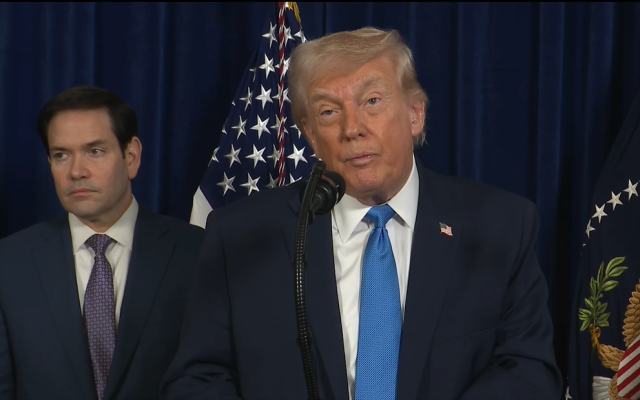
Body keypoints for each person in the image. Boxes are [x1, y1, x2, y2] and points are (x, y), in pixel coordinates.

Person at [161, 28, 562, 399]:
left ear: (415, 113)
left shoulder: (499, 227)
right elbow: (198, 380)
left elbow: (529, 371)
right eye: (329, 111)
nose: (352, 128)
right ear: (310, 134)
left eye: (372, 101)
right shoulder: (243, 236)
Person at [0, 86, 204, 400]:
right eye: (61, 155)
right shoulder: (9, 263)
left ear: (131, 157)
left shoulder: (198, 252)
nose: (76, 171)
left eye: (95, 151)